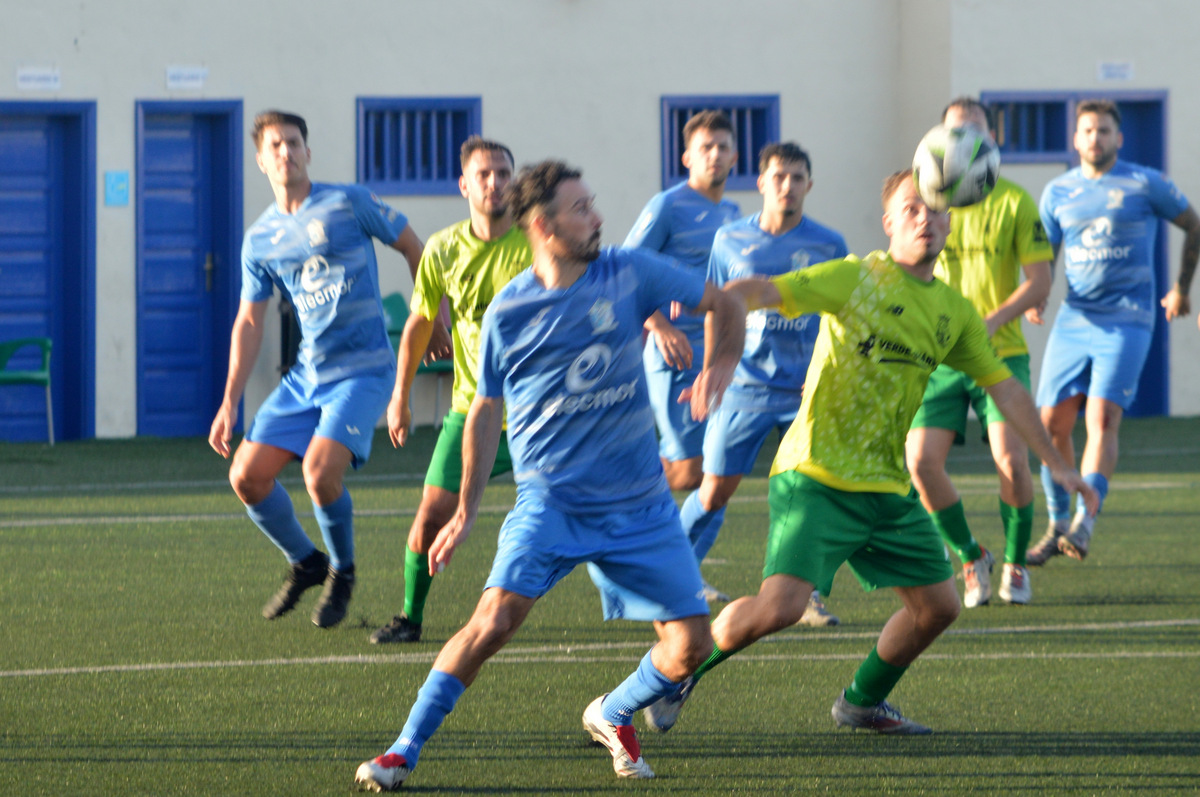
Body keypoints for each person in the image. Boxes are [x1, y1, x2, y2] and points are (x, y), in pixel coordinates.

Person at [641, 170, 1097, 738]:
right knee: (780, 608)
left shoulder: (953, 312)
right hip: (817, 474)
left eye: (934, 209)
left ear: (950, 221)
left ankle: (861, 703)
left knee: (939, 607)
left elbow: (1005, 387)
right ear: (888, 223)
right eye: (910, 209)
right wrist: (721, 360)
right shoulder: (855, 278)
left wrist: (1059, 465)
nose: (924, 219)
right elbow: (747, 291)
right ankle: (681, 670)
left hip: (886, 486)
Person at [354, 160, 746, 791]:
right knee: (491, 623)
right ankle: (403, 749)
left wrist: (720, 363)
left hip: (640, 505)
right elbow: (485, 408)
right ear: (542, 225)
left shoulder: (629, 271)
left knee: (691, 646)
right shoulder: (509, 312)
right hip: (551, 503)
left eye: (593, 204)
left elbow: (723, 301)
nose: (597, 217)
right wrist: (468, 510)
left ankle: (613, 712)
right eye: (582, 208)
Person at [208, 110, 436, 628]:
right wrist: (228, 402)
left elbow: (413, 247)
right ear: (261, 160)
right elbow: (249, 321)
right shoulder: (259, 239)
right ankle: (306, 562)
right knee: (246, 476)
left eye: (293, 142)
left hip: (364, 370)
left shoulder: (348, 201)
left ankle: (343, 571)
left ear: (308, 152)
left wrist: (435, 314)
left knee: (319, 471)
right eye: (275, 145)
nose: (285, 151)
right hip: (308, 376)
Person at [369, 137, 531, 645]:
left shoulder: (538, 242)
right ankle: (410, 618)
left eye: (504, 173)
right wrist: (401, 394)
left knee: (585, 514)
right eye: (484, 175)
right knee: (432, 515)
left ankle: (653, 613)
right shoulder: (442, 247)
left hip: (538, 413)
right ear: (464, 185)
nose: (495, 183)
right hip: (472, 409)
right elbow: (419, 323)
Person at [679, 141, 847, 624]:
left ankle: (807, 594)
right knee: (713, 492)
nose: (788, 186)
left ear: (809, 186)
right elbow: (717, 308)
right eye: (779, 177)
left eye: (797, 178)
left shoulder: (829, 245)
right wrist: (711, 370)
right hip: (744, 387)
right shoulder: (730, 239)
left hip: (805, 392)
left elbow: (841, 313)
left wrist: (828, 376)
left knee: (813, 494)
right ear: (761, 182)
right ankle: (672, 577)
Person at [1029, 99, 1200, 564]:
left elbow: (1193, 224)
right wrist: (1037, 294)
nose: (1095, 138)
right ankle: (1057, 522)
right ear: (1075, 139)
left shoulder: (1145, 182)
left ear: (1118, 139)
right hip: (1075, 317)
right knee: (1050, 425)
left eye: (1104, 131)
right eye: (1087, 131)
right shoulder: (1057, 192)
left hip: (1129, 317)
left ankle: (1086, 523)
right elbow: (1047, 252)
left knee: (1100, 418)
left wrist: (1182, 289)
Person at [905, 97, 1053, 607]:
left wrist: (989, 321)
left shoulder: (1014, 201)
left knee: (1012, 462)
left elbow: (1040, 281)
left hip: (1000, 353)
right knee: (921, 463)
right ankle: (971, 556)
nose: (964, 143)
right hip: (939, 358)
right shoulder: (927, 201)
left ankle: (1014, 564)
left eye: (975, 134)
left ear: (991, 142)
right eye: (954, 134)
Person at [624, 110, 741, 492]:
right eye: (705, 147)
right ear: (687, 158)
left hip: (716, 356)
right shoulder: (667, 206)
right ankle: (610, 486)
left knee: (711, 469)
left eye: (723, 147)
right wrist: (658, 325)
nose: (715, 154)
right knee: (690, 469)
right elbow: (626, 272)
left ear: (734, 156)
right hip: (675, 355)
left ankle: (622, 486)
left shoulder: (734, 214)